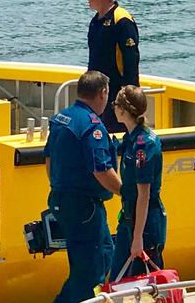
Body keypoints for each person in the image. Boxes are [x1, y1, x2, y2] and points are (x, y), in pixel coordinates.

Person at [44, 70, 122, 303]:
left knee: (94, 258)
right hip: (84, 207)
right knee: (91, 271)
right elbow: (101, 169)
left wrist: (59, 185)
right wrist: (126, 193)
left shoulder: (62, 118)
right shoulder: (92, 127)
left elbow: (48, 159)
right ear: (103, 93)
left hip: (62, 201)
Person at [109, 85, 166, 277]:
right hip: (128, 218)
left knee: (149, 280)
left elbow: (144, 195)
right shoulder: (130, 139)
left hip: (146, 223)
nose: (113, 108)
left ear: (123, 110)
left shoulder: (144, 144)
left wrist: (138, 237)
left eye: (115, 104)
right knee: (117, 276)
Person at [80, 0, 140, 133]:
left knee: (117, 134)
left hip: (115, 93)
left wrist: (128, 94)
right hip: (96, 92)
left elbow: (131, 60)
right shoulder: (96, 21)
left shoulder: (121, 19)